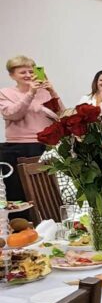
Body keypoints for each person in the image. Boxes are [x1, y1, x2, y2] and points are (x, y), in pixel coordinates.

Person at [0, 55, 64, 205]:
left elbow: (62, 115)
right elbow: (13, 114)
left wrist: (52, 91)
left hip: (45, 145)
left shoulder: (44, 93)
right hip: (18, 147)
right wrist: (30, 93)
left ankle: (49, 218)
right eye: (23, 72)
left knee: (48, 191)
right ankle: (22, 220)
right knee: (18, 192)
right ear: (12, 75)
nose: (28, 75)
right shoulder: (5, 93)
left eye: (31, 71)